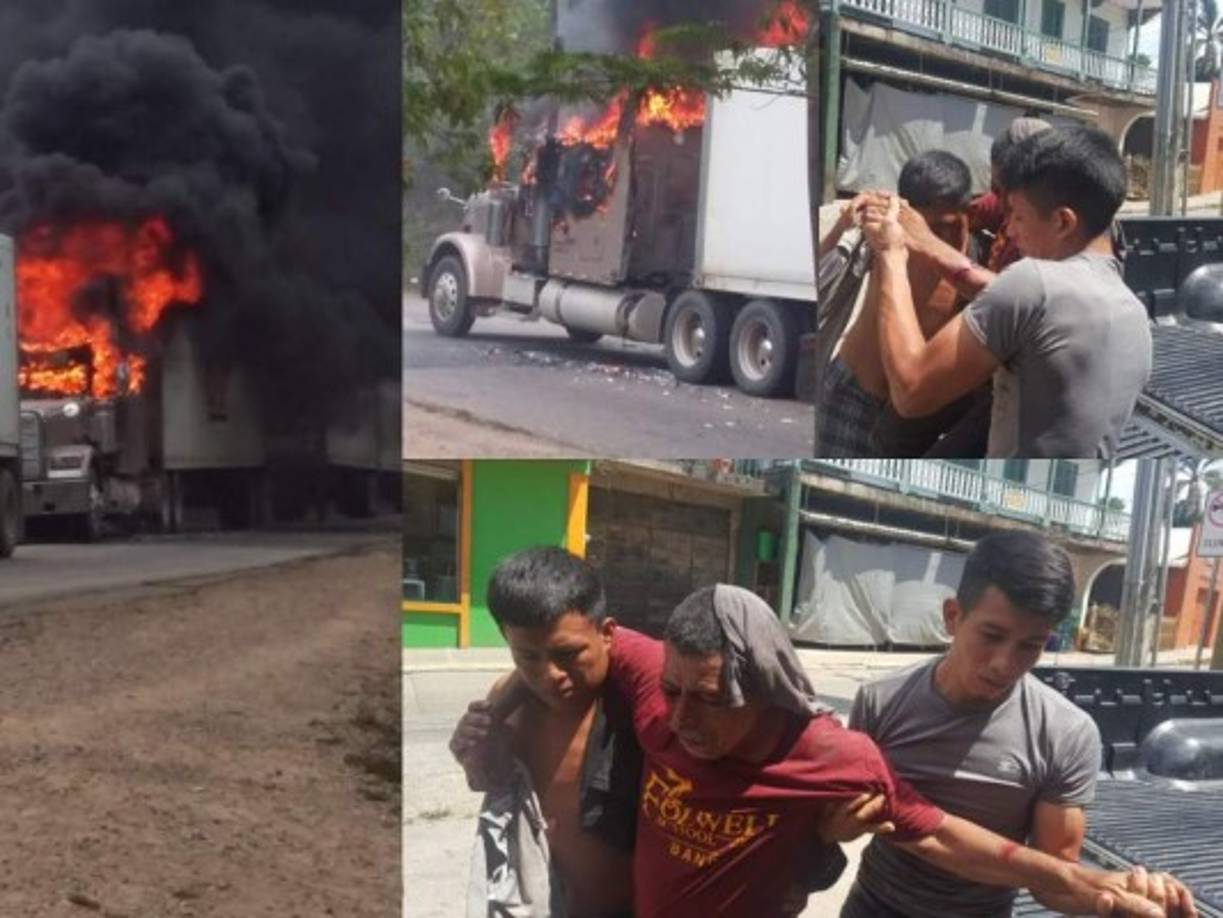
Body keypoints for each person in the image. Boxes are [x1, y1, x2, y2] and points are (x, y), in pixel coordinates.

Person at [470, 579, 1194, 918]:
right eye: (674, 691)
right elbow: (553, 652)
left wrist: (1107, 890)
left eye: (713, 698)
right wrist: (488, 709)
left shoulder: (829, 755)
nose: (682, 719)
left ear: (765, 686)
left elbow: (947, 838)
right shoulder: (661, 686)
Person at [837, 531, 1153, 917]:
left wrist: (1107, 902)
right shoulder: (880, 701)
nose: (1005, 663)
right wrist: (837, 825)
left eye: (1029, 645)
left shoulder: (1066, 733)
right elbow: (842, 817)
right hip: (875, 906)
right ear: (953, 616)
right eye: (992, 635)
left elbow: (1054, 879)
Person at [862, 124, 1152, 457]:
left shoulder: (1032, 281)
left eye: (1018, 217)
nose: (1010, 230)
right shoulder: (1135, 314)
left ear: (1063, 222)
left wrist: (890, 253)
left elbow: (910, 391)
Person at [448, 546, 638, 918]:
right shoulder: (508, 701)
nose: (549, 675)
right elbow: (486, 781)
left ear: (608, 633)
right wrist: (477, 756)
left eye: (567, 654)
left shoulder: (634, 705)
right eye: (528, 657)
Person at [815, 151, 982, 456]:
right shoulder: (887, 238)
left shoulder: (974, 266)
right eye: (930, 227)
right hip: (855, 399)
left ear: (968, 212)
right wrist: (844, 224)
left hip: (915, 421)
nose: (940, 238)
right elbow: (818, 276)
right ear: (905, 213)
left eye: (951, 225)